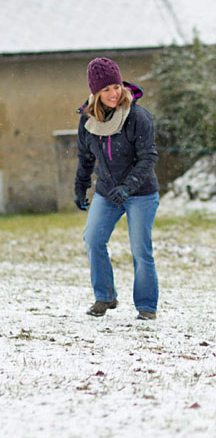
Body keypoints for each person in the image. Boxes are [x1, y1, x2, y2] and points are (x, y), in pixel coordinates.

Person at [74, 57, 160, 320]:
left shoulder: (137, 117)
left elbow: (148, 157)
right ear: (96, 93)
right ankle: (105, 297)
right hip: (108, 192)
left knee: (140, 249)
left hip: (141, 194)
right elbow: (85, 158)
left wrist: (128, 187)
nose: (114, 94)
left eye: (116, 87)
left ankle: (146, 306)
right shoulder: (88, 122)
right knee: (93, 239)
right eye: (106, 89)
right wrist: (81, 187)